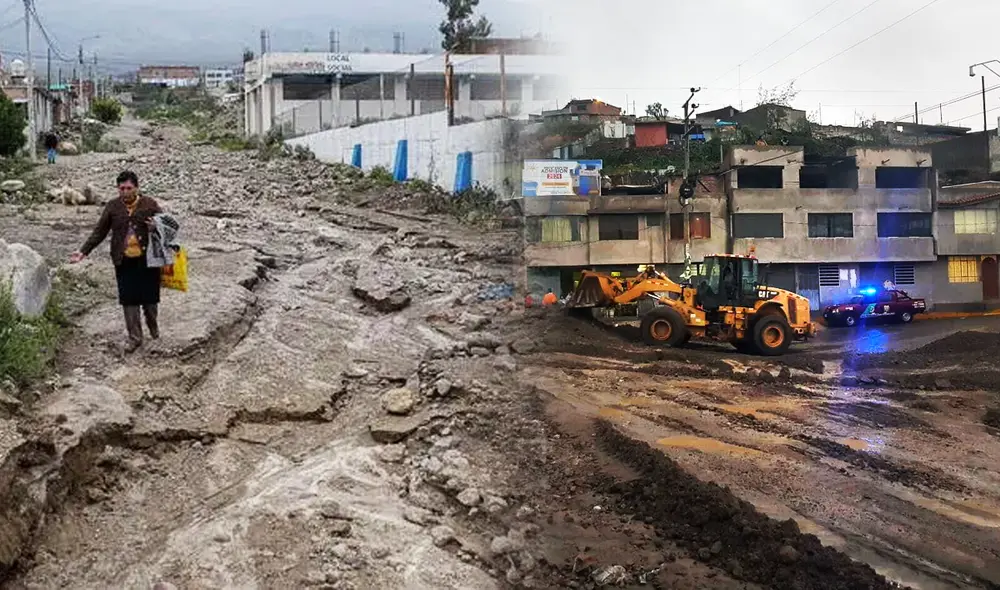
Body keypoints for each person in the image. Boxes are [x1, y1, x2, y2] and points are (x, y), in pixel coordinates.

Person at [70, 171, 163, 353]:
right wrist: (83, 251)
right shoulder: (112, 207)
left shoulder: (150, 204)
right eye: (122, 188)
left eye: (129, 188)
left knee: (150, 300)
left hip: (147, 260)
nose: (126, 192)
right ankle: (135, 338)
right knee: (129, 299)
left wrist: (155, 226)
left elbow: (167, 225)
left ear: (136, 187)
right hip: (123, 260)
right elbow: (99, 231)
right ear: (117, 189)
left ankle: (153, 326)